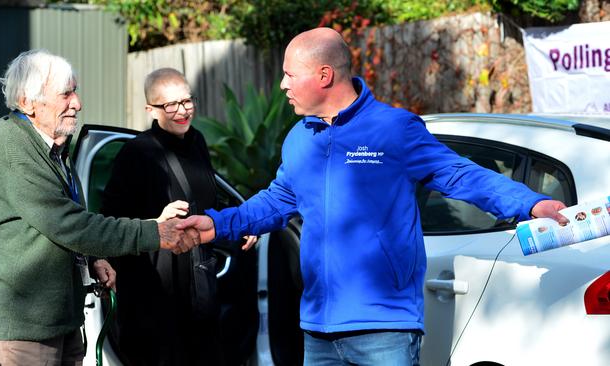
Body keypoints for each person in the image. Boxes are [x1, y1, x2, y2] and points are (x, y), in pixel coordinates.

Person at [177, 27, 570, 366]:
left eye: (289, 75)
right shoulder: (300, 138)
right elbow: (279, 199)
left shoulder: (393, 128)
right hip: (316, 328)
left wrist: (531, 203)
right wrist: (216, 223)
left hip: (385, 327)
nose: (282, 85)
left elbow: (457, 173)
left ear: (324, 75)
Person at [0, 49, 201, 366]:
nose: (77, 102)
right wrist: (155, 232)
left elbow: (60, 219)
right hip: (24, 327)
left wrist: (92, 259)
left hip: (58, 319)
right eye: (66, 94)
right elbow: (71, 224)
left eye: (74, 91)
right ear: (27, 102)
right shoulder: (11, 147)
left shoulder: (49, 146)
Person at [100, 68, 256, 366]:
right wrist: (155, 221)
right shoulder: (137, 153)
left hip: (199, 285)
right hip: (154, 293)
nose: (182, 111)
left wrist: (242, 221)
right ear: (150, 109)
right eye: (170, 105)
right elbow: (109, 221)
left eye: (187, 101)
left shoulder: (196, 142)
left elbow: (208, 200)